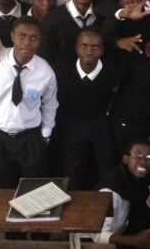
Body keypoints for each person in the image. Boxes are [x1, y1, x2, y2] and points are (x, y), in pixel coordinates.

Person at [0, 16, 58, 188]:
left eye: (34, 38)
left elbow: (50, 104)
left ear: (40, 40)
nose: (27, 43)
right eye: (22, 36)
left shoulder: (45, 71)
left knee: (34, 187)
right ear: (12, 36)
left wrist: (45, 135)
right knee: (2, 185)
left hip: (30, 137)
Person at [52, 30, 128, 190]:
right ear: (76, 48)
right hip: (70, 123)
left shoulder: (115, 70)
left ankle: (106, 208)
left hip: (100, 123)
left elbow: (123, 91)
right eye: (84, 46)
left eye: (95, 47)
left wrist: (112, 106)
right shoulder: (60, 69)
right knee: (72, 172)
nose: (89, 51)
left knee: (106, 167)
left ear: (102, 50)